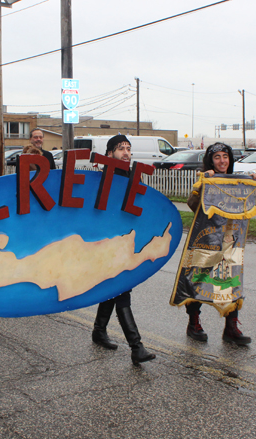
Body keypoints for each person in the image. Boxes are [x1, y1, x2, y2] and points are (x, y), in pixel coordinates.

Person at [91, 135, 156, 365]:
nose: (126, 152)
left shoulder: (132, 176)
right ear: (110, 154)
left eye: (128, 148)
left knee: (115, 287)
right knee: (121, 290)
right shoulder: (102, 178)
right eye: (120, 149)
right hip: (108, 245)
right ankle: (136, 346)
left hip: (126, 242)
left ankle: (99, 330)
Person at [185, 143, 251, 345]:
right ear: (210, 161)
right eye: (217, 157)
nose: (222, 161)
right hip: (206, 239)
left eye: (225, 156)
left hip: (230, 240)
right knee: (198, 278)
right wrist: (204, 185)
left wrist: (252, 183)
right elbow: (193, 205)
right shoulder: (206, 180)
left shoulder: (238, 182)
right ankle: (193, 323)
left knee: (231, 281)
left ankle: (231, 328)